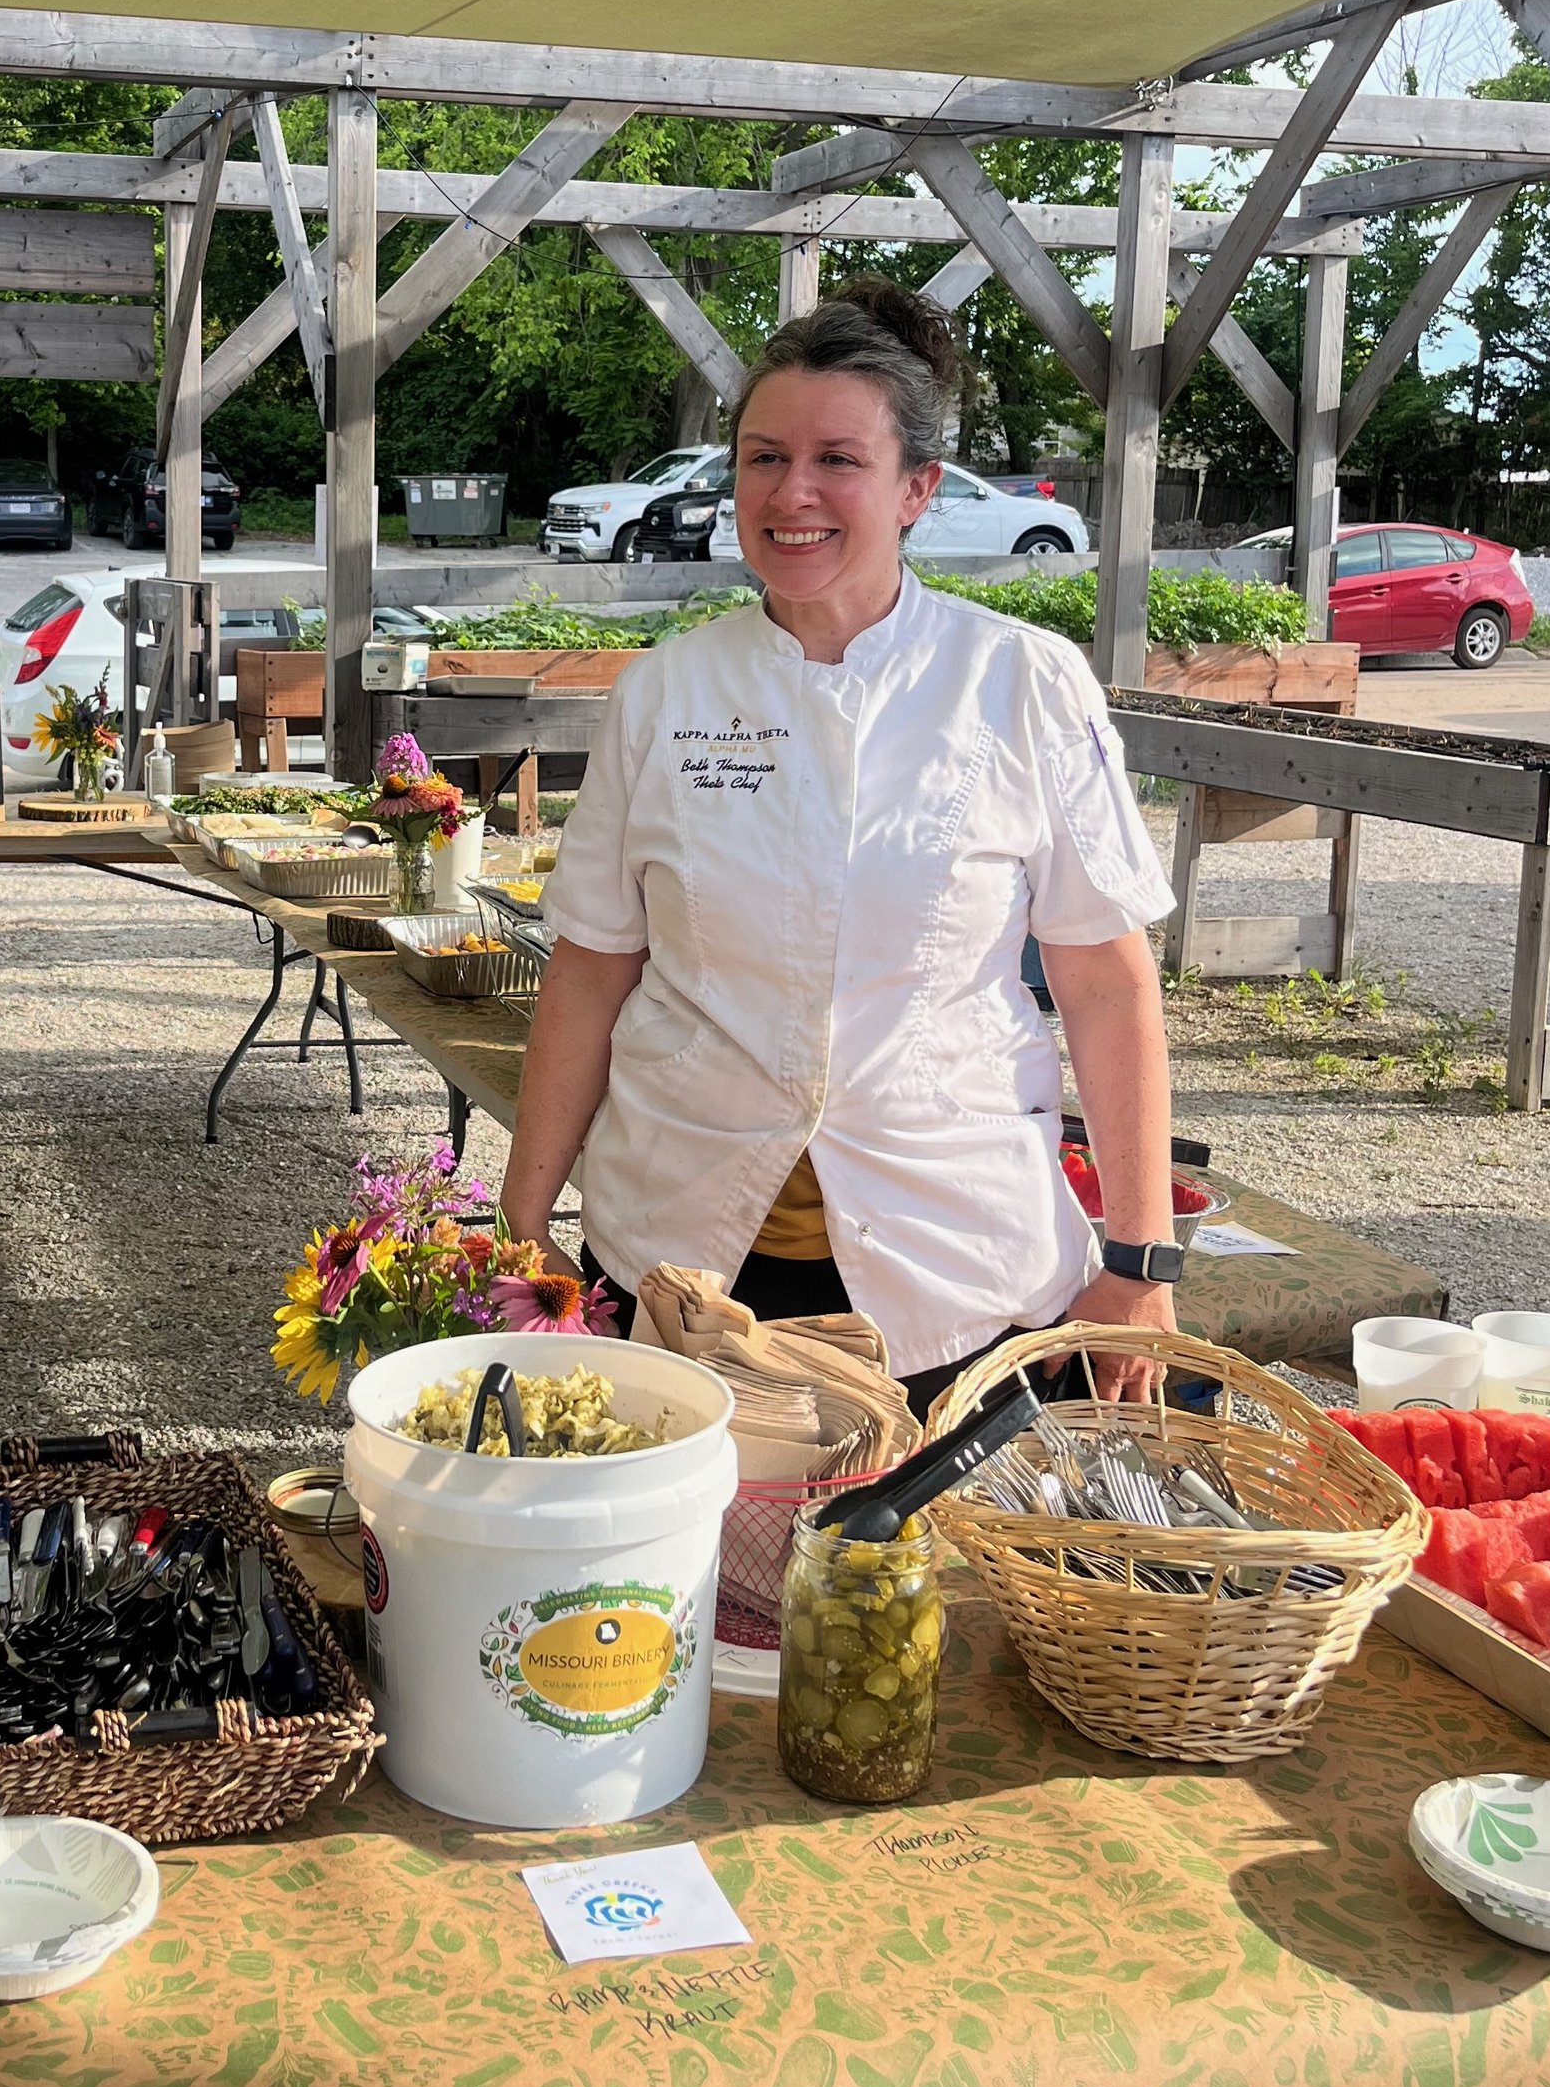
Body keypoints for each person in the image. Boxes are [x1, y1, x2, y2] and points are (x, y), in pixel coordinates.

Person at [499, 279, 1181, 1411]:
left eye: (837, 461)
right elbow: (589, 968)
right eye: (763, 458)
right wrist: (521, 1224)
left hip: (949, 1254)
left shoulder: (1016, 680)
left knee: (925, 1580)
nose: (793, 492)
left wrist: (1137, 1262)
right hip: (680, 1243)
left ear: (917, 489)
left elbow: (1106, 987)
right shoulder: (669, 689)